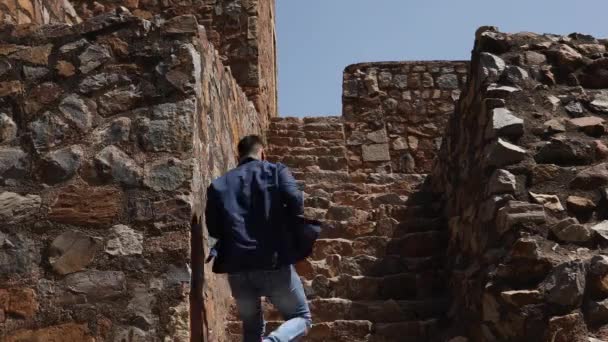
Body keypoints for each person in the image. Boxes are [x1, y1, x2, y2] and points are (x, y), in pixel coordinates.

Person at [205, 135, 312, 342]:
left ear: (239, 156)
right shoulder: (275, 171)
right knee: (301, 317)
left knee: (252, 328)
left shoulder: (218, 185)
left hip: (237, 267)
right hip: (271, 260)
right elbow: (295, 200)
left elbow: (214, 229)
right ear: (263, 153)